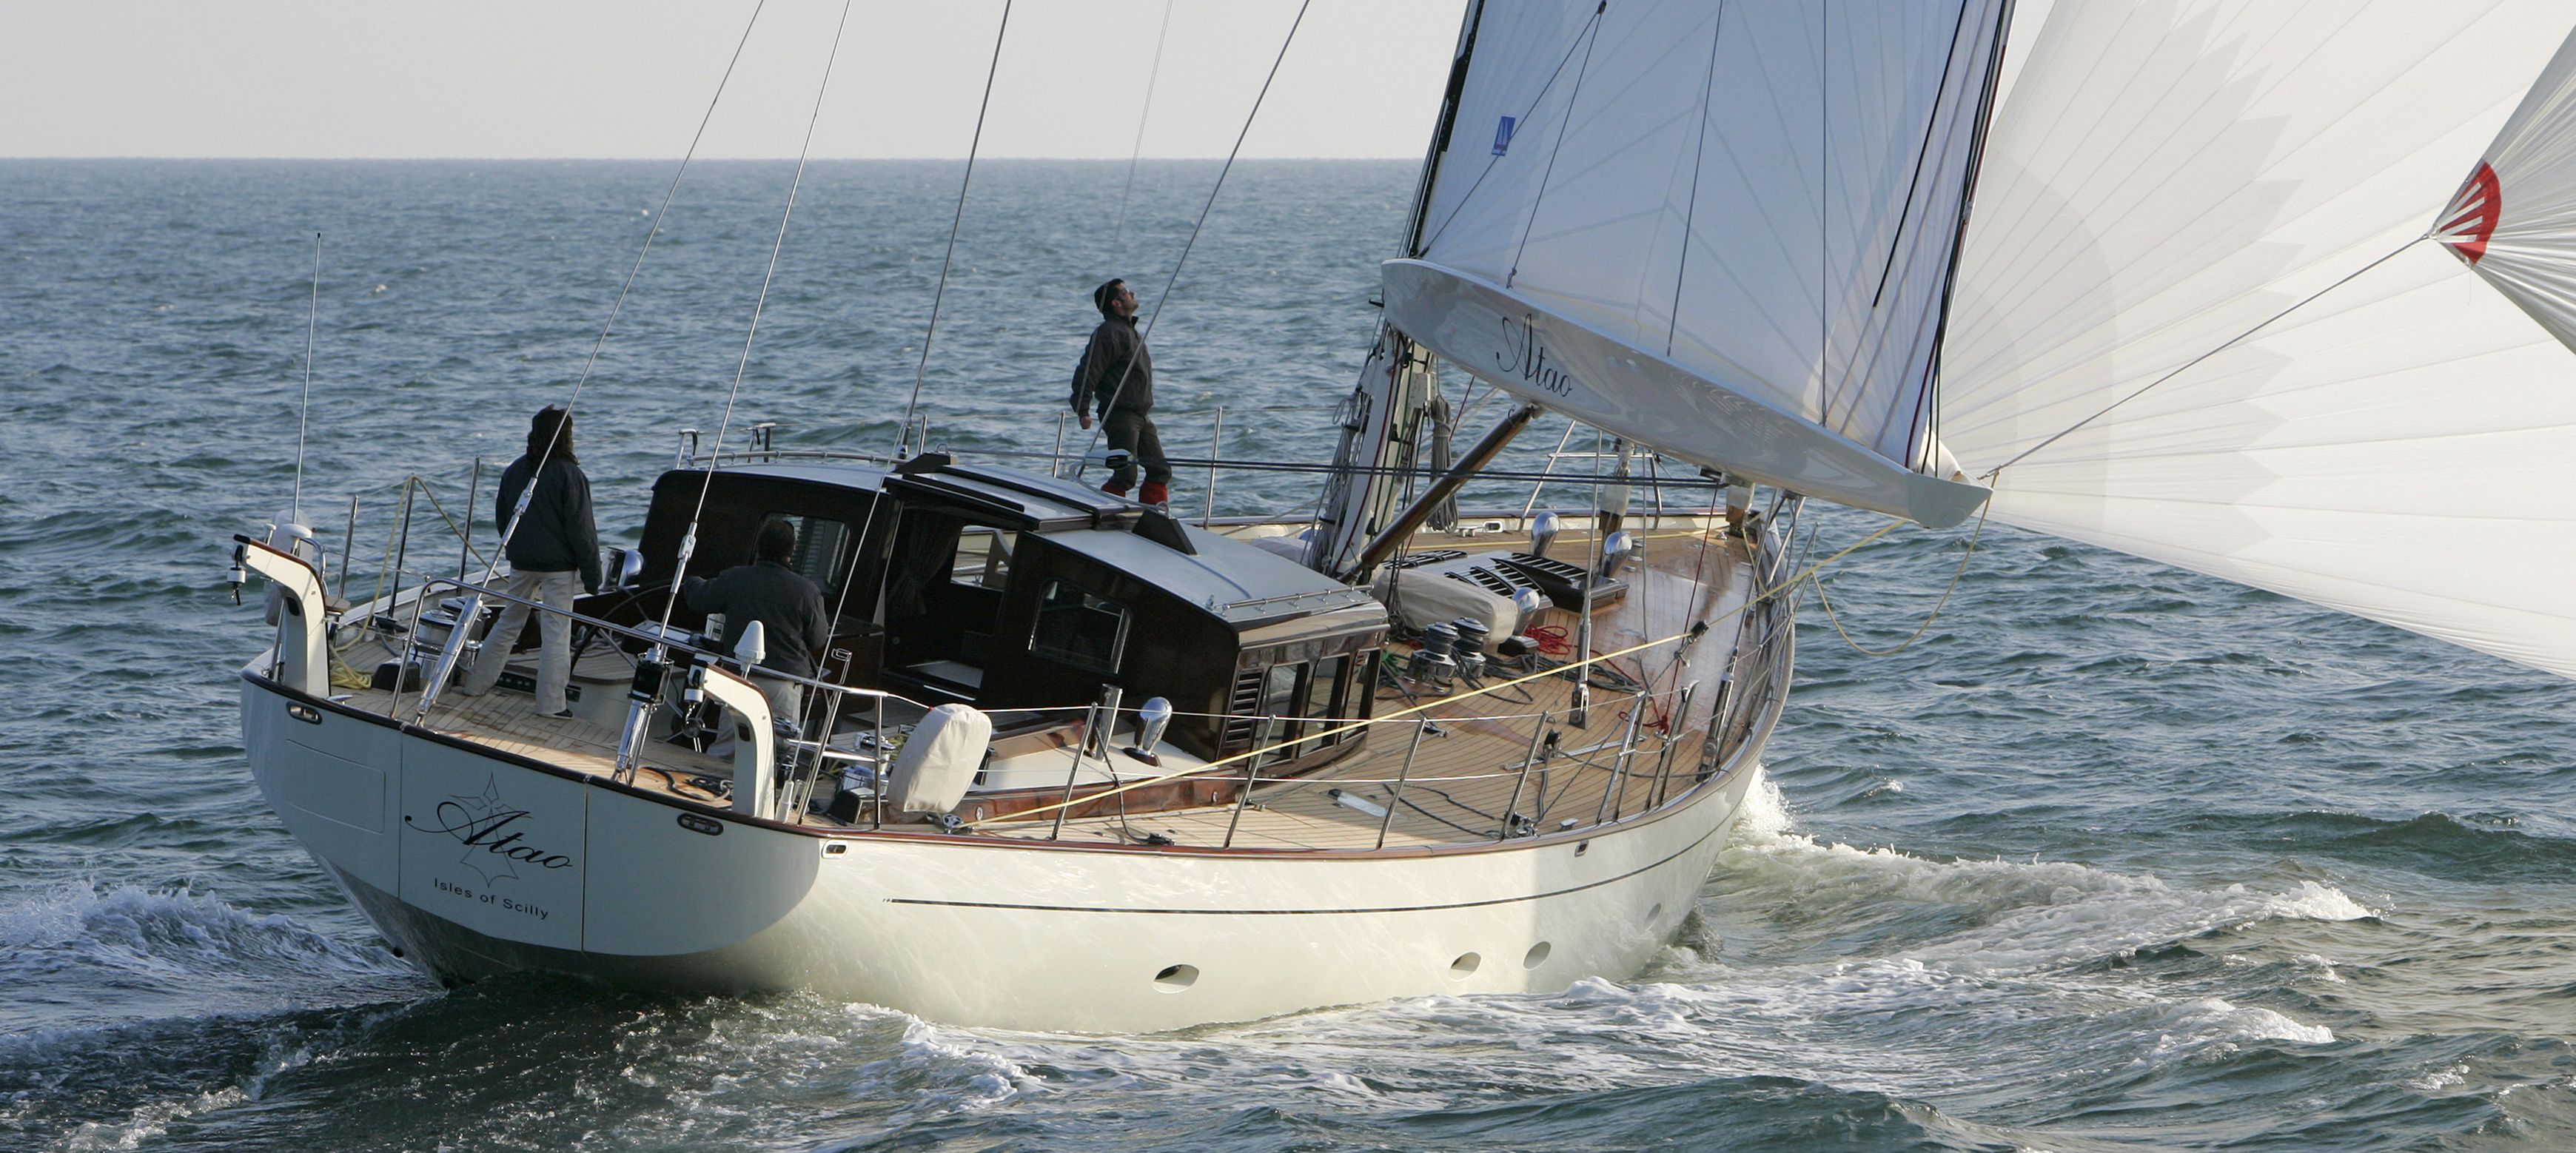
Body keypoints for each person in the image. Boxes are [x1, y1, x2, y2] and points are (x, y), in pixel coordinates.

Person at [460, 405, 602, 717]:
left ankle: (476, 684)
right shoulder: (570, 475)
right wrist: (593, 576)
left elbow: (503, 518)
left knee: (509, 622)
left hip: (522, 562)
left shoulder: (515, 470)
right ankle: (551, 706)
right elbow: (582, 531)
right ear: (566, 437)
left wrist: (517, 549)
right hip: (559, 568)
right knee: (556, 633)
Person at [683, 518, 831, 737]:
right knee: (778, 749)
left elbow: (699, 600)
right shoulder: (807, 591)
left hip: (740, 679)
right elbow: (818, 639)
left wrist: (692, 580)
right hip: (783, 683)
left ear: (759, 547)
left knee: (729, 744)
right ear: (792, 551)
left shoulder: (736, 578)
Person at [1070, 278, 1173, 509]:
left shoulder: (1130, 332)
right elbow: (1088, 371)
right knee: (1126, 474)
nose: (1132, 293)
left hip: (1141, 415)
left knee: (1160, 469)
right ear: (1116, 303)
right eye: (1125, 292)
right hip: (1121, 415)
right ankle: (1106, 512)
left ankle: (1153, 515)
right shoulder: (1109, 333)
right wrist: (1082, 409)